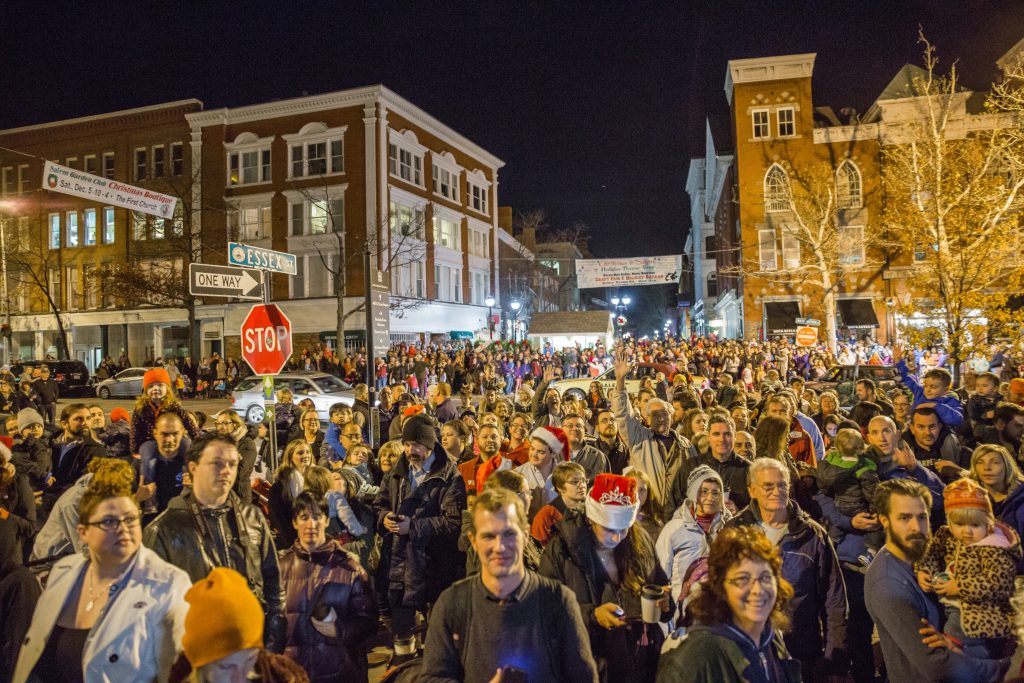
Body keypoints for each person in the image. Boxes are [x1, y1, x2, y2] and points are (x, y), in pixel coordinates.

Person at [13, 466, 190, 683]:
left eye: (131, 519)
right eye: (109, 522)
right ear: (83, 532)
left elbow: (180, 671)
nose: (124, 529)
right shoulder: (64, 573)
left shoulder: (168, 585)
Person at [421, 488, 599, 682]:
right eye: (488, 536)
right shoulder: (451, 604)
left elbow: (583, 678)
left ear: (525, 535)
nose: (500, 547)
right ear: (473, 541)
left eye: (509, 534)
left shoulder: (558, 600)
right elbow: (433, 678)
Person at [142, 431, 287, 653]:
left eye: (232, 463)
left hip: (252, 650)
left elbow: (274, 587)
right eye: (216, 463)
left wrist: (271, 647)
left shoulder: (252, 517)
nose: (227, 471)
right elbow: (152, 610)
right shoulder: (163, 529)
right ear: (193, 468)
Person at [865, 478, 1010, 682]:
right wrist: (1006, 669)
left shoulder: (930, 554)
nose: (917, 527)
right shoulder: (888, 584)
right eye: (905, 518)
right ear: (884, 520)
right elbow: (938, 665)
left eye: (923, 517)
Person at [540, 473, 672, 683]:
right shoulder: (563, 550)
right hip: (589, 663)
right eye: (609, 529)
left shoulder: (640, 542)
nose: (616, 537)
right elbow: (547, 610)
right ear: (592, 518)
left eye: (623, 529)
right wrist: (592, 615)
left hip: (640, 660)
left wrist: (666, 604)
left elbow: (659, 583)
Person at [725, 457, 848, 678]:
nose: (777, 491)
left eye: (782, 485)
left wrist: (833, 655)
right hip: (748, 652)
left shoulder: (812, 534)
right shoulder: (735, 531)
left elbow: (834, 598)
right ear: (752, 491)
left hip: (801, 651)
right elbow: (720, 591)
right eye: (768, 486)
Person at [655, 526, 800, 683]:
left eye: (765, 577)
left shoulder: (771, 639)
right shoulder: (697, 655)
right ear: (720, 586)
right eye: (742, 579)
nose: (758, 590)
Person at [372, 412, 466, 645]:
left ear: (429, 445)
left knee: (436, 637)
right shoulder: (398, 471)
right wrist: (384, 518)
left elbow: (452, 523)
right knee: (401, 638)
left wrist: (412, 527)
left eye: (416, 445)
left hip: (433, 566)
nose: (410, 450)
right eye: (406, 444)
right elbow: (379, 503)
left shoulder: (450, 477)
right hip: (399, 564)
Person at [916, 477, 1020, 660]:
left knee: (965, 649)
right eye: (959, 524)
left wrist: (960, 586)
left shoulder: (995, 547)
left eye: (975, 525)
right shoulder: (947, 536)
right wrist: (924, 570)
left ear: (988, 524)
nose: (967, 532)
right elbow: (931, 554)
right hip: (955, 607)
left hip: (982, 615)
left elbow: (999, 583)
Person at [279, 491, 376, 682]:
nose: (311, 524)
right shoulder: (279, 569)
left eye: (317, 517)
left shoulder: (350, 569)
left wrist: (338, 630)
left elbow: (369, 623)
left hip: (338, 674)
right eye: (304, 517)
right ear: (294, 522)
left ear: (326, 520)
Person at [168, 567, 309, 683]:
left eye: (250, 660)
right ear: (199, 665)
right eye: (226, 666)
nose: (240, 679)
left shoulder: (287, 678)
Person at [611, 349, 694, 504]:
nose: (661, 418)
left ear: (672, 416)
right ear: (647, 419)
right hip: (649, 510)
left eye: (665, 414)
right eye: (655, 415)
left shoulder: (685, 445)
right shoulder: (638, 438)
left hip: (678, 513)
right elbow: (623, 414)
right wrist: (620, 381)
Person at [656, 465, 731, 610]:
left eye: (716, 493)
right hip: (681, 612)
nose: (710, 498)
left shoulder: (730, 528)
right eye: (704, 492)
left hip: (719, 612)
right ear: (692, 494)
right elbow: (661, 575)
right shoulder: (674, 529)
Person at [815, 427, 882, 564]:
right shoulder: (865, 466)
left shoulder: (831, 463)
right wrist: (877, 510)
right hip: (859, 508)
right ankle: (871, 552)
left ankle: (830, 544)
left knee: (836, 527)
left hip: (840, 505)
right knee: (876, 525)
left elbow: (823, 489)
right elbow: (873, 494)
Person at [667, 414, 751, 515]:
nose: (722, 439)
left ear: (735, 437)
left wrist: (740, 513)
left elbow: (759, 509)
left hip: (734, 529)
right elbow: (672, 507)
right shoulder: (691, 466)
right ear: (708, 437)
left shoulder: (749, 470)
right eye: (716, 434)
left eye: (727, 434)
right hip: (695, 529)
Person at [129, 368, 199, 455]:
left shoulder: (173, 406)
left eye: (160, 385)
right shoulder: (140, 408)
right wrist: (134, 451)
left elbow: (189, 423)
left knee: (186, 444)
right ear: (146, 390)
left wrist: (197, 443)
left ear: (167, 388)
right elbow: (135, 430)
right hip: (150, 442)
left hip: (171, 440)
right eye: (151, 386)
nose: (155, 388)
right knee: (146, 452)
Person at [47, 404, 108, 506]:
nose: (85, 423)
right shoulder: (49, 443)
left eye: (88, 418)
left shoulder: (96, 450)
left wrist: (48, 498)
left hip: (71, 506)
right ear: (64, 424)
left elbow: (84, 485)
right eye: (79, 419)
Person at [894, 346, 965, 429]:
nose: (928, 389)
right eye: (926, 385)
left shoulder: (950, 401)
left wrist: (935, 406)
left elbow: (957, 419)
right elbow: (906, 378)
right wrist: (898, 360)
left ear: (945, 390)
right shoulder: (920, 393)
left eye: (933, 387)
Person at [969, 443, 1024, 539]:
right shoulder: (969, 498)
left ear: (1007, 467)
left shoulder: (1020, 500)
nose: (987, 468)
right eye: (980, 462)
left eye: (995, 462)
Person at [138, 412, 189, 515]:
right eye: (164, 434)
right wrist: (137, 498)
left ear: (182, 432)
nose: (169, 440)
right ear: (155, 433)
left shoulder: (192, 465)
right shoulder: (140, 465)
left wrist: (197, 488)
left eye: (175, 434)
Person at [516, 426, 569, 520]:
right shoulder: (518, 473)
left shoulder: (565, 474)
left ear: (553, 454)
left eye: (540, 452)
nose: (534, 455)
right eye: (532, 449)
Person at [268, 440, 314, 548]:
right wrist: (291, 543)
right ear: (290, 457)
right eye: (300, 453)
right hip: (293, 541)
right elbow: (277, 517)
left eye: (308, 452)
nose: (306, 455)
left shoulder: (318, 479)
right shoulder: (281, 485)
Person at [531, 461, 588, 546]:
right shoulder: (546, 516)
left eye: (584, 481)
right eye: (575, 482)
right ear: (560, 487)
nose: (582, 485)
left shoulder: (591, 510)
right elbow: (540, 552)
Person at [214, 410, 257, 503]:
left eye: (225, 423)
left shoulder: (247, 443)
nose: (220, 427)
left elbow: (240, 472)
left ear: (235, 424)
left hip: (239, 496)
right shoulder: (220, 441)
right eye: (217, 423)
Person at [563, 413, 611, 483]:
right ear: (562, 429)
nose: (575, 428)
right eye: (570, 426)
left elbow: (607, 487)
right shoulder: (552, 455)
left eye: (579, 426)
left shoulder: (598, 457)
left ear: (584, 430)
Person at [594, 408, 630, 475]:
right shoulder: (590, 452)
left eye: (612, 420)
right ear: (597, 428)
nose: (610, 423)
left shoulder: (628, 451)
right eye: (604, 420)